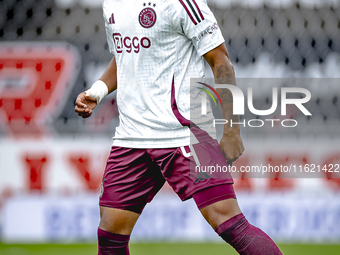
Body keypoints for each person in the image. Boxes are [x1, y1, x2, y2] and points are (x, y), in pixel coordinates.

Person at [75, 0, 282, 254]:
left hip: (183, 133)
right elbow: (125, 56)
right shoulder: (112, 4)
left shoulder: (183, 3)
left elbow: (221, 62)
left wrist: (232, 130)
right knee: (111, 233)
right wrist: (97, 91)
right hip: (132, 137)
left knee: (228, 222)